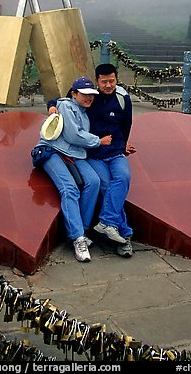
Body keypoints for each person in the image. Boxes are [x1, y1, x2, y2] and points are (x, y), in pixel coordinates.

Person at [48, 63, 137, 258]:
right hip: (94, 154)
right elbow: (63, 99)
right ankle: (125, 235)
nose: (108, 85)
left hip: (115, 153)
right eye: (104, 81)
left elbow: (126, 124)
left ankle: (107, 222)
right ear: (97, 82)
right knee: (105, 185)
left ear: (116, 79)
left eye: (111, 81)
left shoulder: (123, 98)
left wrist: (122, 145)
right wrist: (52, 106)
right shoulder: (90, 97)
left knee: (123, 177)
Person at [32, 76, 112, 263]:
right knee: (69, 188)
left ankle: (82, 229)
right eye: (84, 94)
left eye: (91, 94)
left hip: (75, 154)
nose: (89, 98)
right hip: (52, 151)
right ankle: (77, 238)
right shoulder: (66, 106)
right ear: (74, 93)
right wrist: (98, 141)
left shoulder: (84, 112)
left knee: (94, 181)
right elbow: (73, 135)